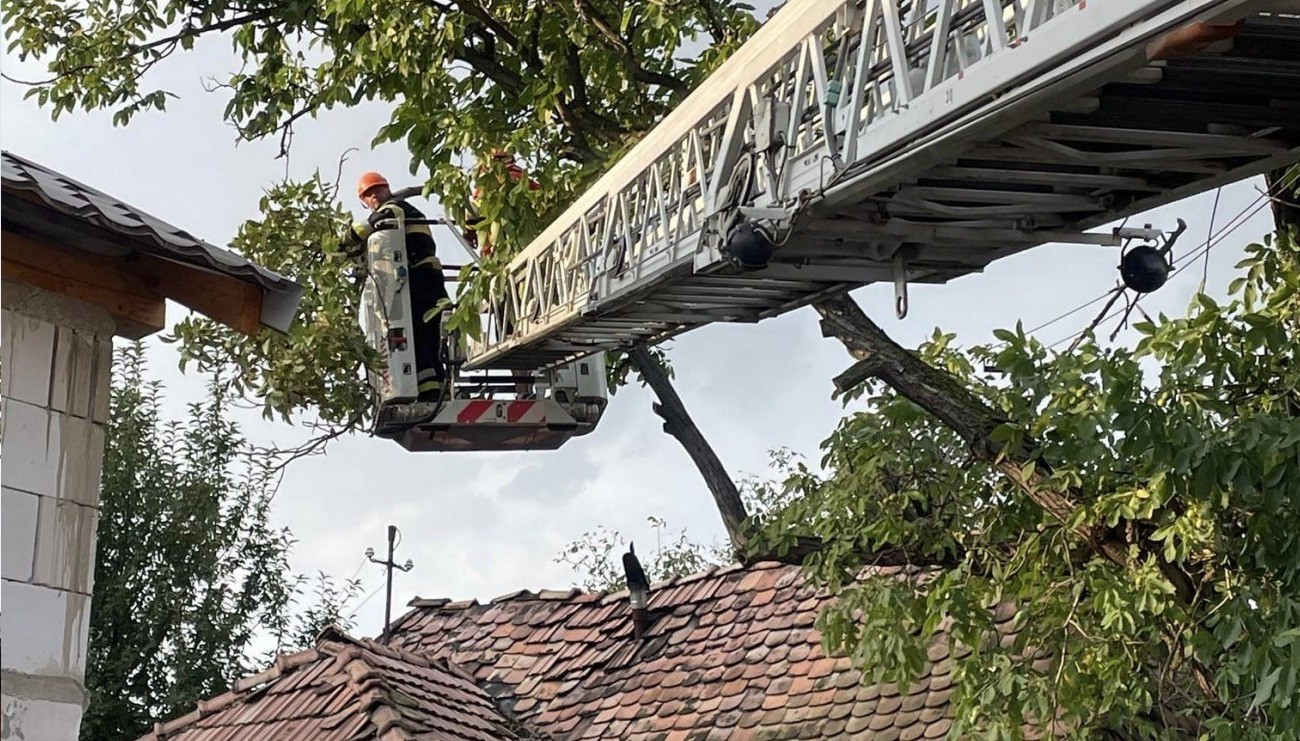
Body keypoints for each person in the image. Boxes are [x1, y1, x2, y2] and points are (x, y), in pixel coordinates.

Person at [344, 171, 449, 403]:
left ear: (386, 188)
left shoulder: (394, 208)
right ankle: (439, 388)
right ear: (363, 201)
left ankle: (430, 391)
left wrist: (347, 239)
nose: (373, 197)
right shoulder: (406, 210)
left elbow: (376, 223)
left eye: (375, 191)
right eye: (367, 195)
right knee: (430, 333)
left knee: (418, 331)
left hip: (420, 274)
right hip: (428, 273)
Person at [461, 149, 540, 258]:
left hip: (500, 248)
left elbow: (473, 213)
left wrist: (468, 230)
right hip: (527, 242)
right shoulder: (522, 177)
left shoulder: (489, 185)